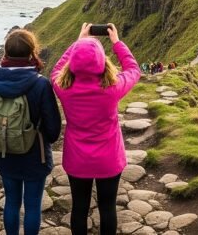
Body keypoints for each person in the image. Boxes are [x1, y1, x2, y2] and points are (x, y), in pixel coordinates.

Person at [51, 23, 140, 235]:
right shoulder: (112, 87)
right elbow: (133, 69)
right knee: (107, 207)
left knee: (79, 208)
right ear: (102, 61)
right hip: (109, 158)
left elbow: (56, 70)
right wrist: (116, 42)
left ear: (73, 62)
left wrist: (78, 42)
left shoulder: (63, 87)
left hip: (77, 158)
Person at [0, 29, 61, 235]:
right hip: (36, 154)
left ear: (6, 52)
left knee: (11, 202)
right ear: (31, 52)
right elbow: (53, 130)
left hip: (6, 151)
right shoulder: (41, 84)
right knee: (33, 205)